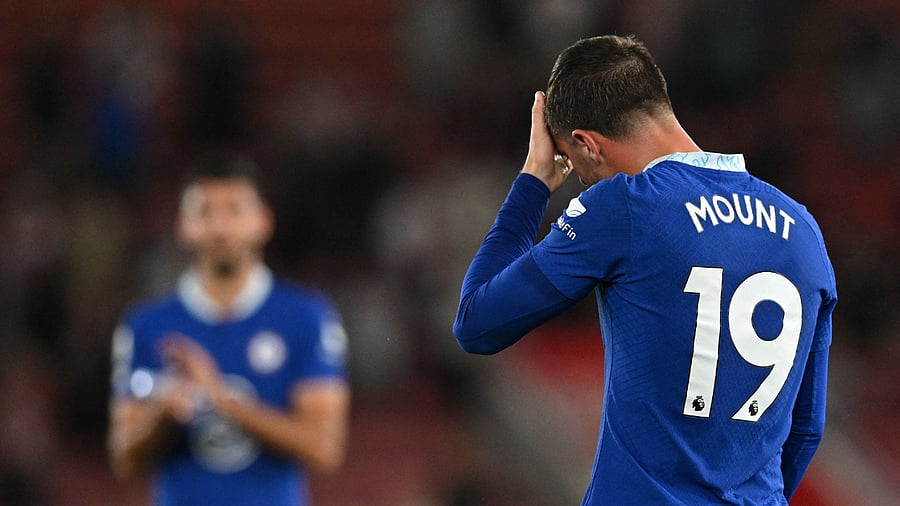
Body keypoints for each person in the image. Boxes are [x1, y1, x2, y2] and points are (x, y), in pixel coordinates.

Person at [453, 35, 836, 505]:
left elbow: (476, 323)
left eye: (572, 165)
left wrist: (534, 180)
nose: (579, 177)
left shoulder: (629, 206)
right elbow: (806, 428)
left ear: (587, 145)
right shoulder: (802, 228)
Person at [107, 152, 350, 505]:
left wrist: (219, 398)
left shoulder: (306, 317)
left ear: (263, 221)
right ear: (183, 225)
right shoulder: (145, 325)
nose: (220, 227)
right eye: (205, 212)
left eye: (234, 210)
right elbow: (124, 460)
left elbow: (324, 450)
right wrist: (161, 412)